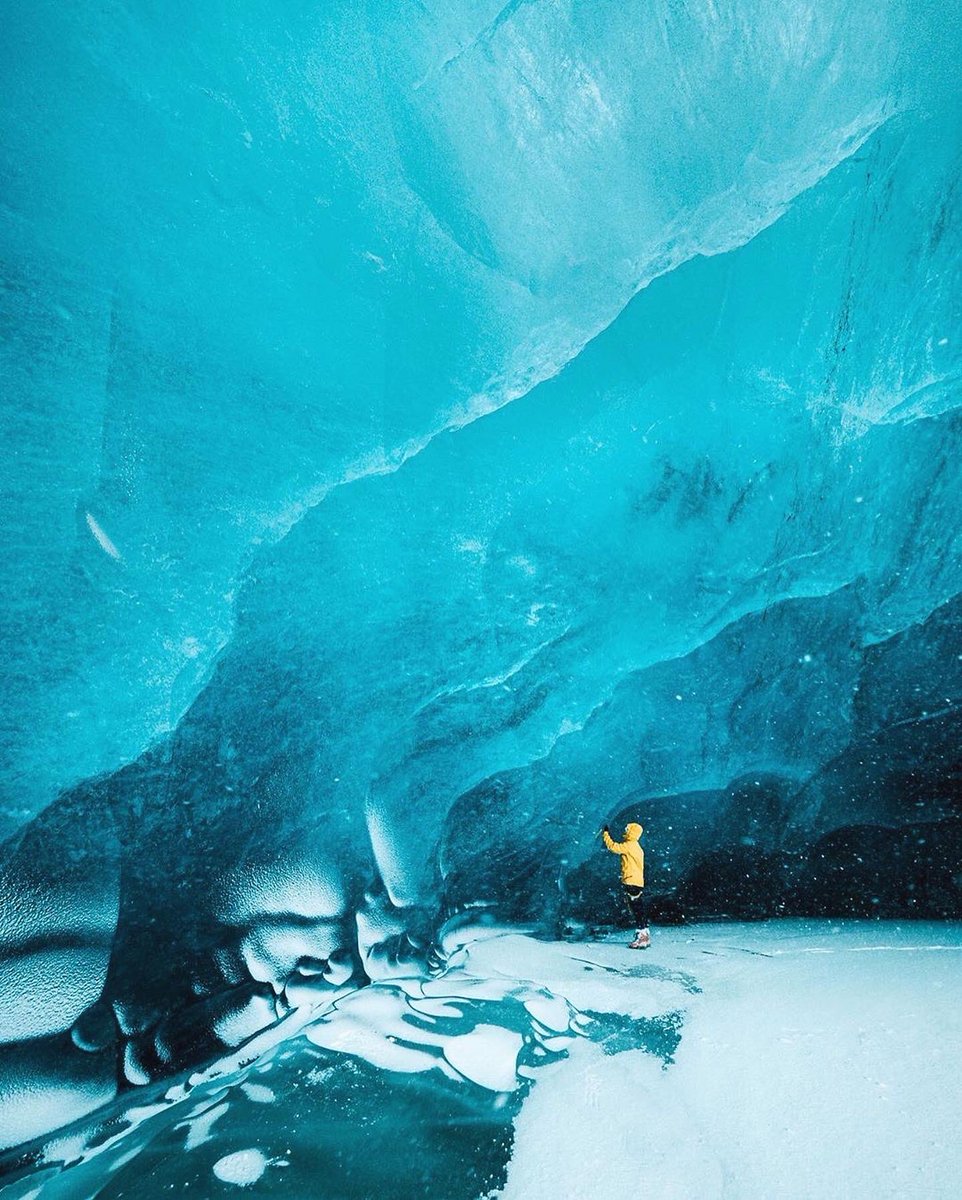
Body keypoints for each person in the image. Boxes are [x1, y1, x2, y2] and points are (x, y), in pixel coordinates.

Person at [601, 822, 650, 949]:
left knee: (636, 909)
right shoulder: (637, 847)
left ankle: (641, 937)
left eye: (627, 829)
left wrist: (605, 834)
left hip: (631, 881)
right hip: (637, 881)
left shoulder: (629, 845)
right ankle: (644, 935)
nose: (625, 831)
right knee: (639, 908)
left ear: (631, 832)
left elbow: (613, 847)